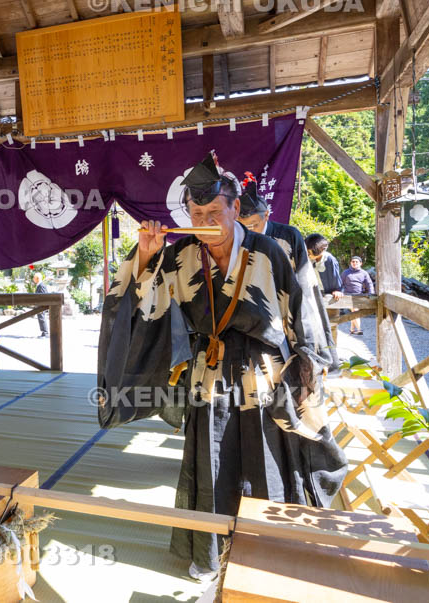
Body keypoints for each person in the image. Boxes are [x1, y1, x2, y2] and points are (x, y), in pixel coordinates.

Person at [97, 153, 345, 582]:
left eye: (215, 211)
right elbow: (139, 303)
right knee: (211, 462)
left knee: (268, 461)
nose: (206, 219)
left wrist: (309, 370)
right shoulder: (179, 255)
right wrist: (145, 256)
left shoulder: (268, 251)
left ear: (235, 210)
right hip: (208, 371)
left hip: (264, 372)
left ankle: (270, 550)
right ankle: (208, 554)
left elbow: (304, 313)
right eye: (197, 213)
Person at [238, 178, 339, 371]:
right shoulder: (239, 236)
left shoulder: (288, 235)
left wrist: (301, 304)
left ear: (266, 215)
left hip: (288, 298)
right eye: (243, 226)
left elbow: (303, 276)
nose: (248, 230)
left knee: (300, 352)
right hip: (253, 303)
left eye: (253, 225)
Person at [340, 256, 374, 335]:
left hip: (358, 295)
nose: (354, 263)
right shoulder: (345, 272)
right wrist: (338, 291)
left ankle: (352, 329)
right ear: (350, 263)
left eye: (356, 262)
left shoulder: (364, 273)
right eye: (353, 262)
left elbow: (369, 283)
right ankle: (359, 330)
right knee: (355, 310)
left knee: (354, 311)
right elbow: (340, 283)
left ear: (360, 263)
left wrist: (371, 293)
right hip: (347, 295)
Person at [305, 233, 343, 301]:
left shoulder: (329, 259)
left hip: (329, 295)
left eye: (309, 253)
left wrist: (337, 290)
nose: (308, 255)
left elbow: (335, 276)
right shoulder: (309, 259)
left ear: (321, 250)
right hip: (313, 293)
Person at [33, 272, 50, 337]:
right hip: (40, 305)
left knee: (42, 318)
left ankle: (45, 333)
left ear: (37, 278)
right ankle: (44, 332)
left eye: (34, 278)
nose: (33, 279)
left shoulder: (41, 285)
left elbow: (44, 296)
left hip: (42, 306)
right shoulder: (39, 285)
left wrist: (43, 306)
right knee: (41, 319)